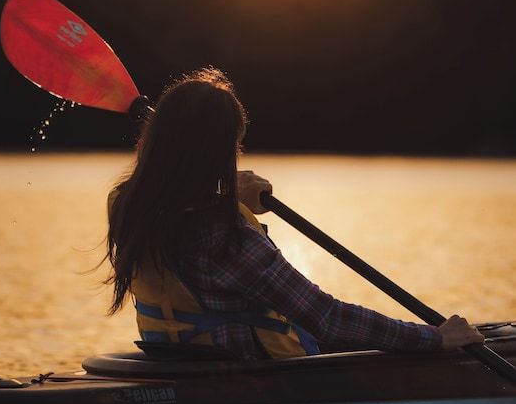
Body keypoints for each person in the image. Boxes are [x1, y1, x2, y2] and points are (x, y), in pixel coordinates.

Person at [106, 68, 484, 361]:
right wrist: (434, 338)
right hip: (249, 370)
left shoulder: (128, 206)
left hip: (179, 358)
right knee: (435, 336)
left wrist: (224, 192)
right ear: (223, 150)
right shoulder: (225, 236)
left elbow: (175, 193)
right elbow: (326, 318)